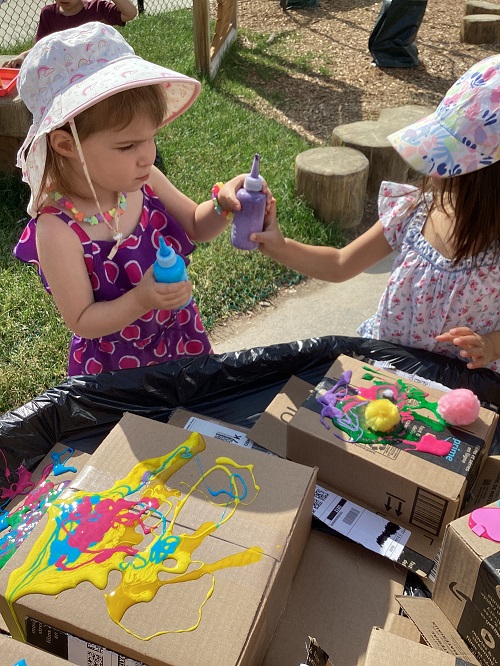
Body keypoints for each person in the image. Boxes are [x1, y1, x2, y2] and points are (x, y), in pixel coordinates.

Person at [13, 22, 264, 376]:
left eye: (151, 137)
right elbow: (82, 320)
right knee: (136, 431)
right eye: (128, 145)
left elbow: (196, 224)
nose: (148, 155)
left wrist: (224, 204)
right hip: (115, 367)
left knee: (188, 424)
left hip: (178, 338)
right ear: (67, 145)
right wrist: (140, 300)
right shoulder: (57, 229)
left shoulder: (145, 183)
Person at [251, 54, 500, 372]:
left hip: (457, 392)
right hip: (386, 370)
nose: (430, 168)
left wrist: (490, 345)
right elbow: (340, 264)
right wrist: (277, 244)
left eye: (447, 162)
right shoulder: (414, 211)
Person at [4, 0, 137, 68]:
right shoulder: (48, 14)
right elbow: (42, 47)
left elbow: (130, 14)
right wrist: (23, 56)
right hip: (65, 74)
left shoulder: (98, 9)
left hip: (99, 70)